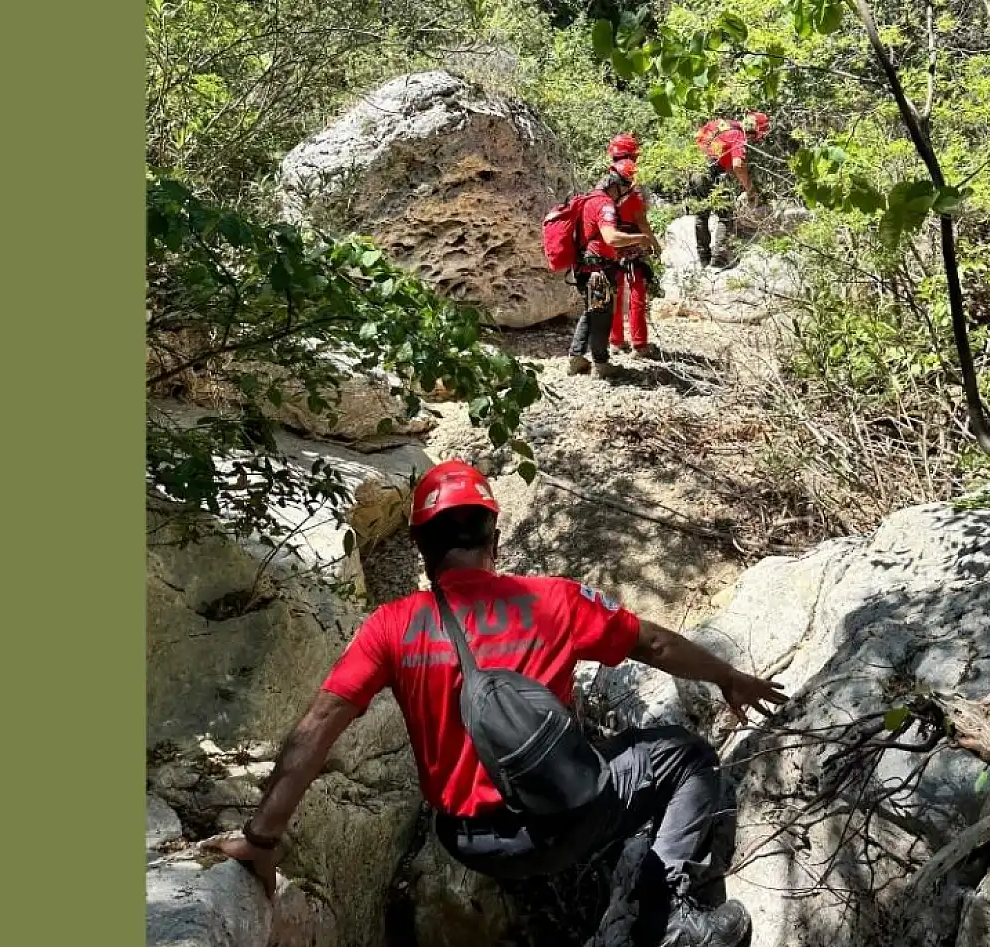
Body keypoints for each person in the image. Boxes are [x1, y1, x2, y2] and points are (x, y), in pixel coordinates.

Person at [209, 459, 785, 947]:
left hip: (471, 844)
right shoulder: (553, 601)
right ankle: (672, 916)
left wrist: (262, 840)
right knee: (686, 757)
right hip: (570, 819)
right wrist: (727, 676)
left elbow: (317, 728)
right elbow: (655, 644)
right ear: (495, 538)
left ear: (419, 547)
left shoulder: (392, 627)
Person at [568, 159, 654, 378]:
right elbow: (611, 237)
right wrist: (641, 238)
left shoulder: (590, 198)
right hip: (598, 270)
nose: (626, 193)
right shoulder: (606, 204)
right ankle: (601, 365)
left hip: (584, 266)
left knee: (591, 312)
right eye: (626, 187)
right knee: (602, 317)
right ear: (617, 184)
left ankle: (576, 358)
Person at [689, 112, 770, 268]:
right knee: (726, 215)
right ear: (753, 129)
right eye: (756, 136)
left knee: (701, 215)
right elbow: (738, 165)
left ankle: (704, 258)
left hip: (695, 170)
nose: (754, 140)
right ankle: (720, 258)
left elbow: (700, 141)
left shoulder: (720, 124)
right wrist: (751, 190)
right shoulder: (738, 136)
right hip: (713, 173)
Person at [605, 134, 659, 357]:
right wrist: (655, 245)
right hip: (633, 244)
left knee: (614, 293)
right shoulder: (633, 184)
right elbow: (641, 221)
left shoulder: (607, 180)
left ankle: (615, 340)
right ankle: (639, 343)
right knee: (637, 294)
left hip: (611, 243)